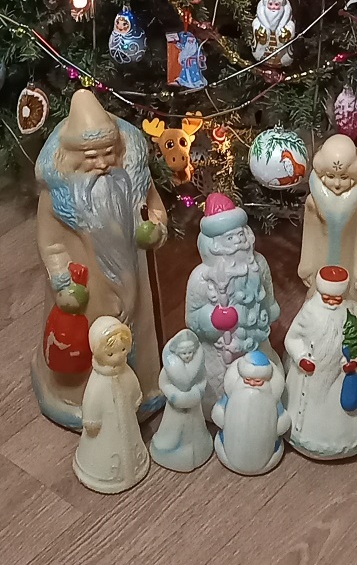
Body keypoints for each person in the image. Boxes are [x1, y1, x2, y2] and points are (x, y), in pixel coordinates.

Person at [32, 89, 166, 429]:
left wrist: (156, 227)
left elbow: (156, 209)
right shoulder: (57, 196)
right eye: (92, 157)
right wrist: (62, 281)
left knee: (140, 337)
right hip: (89, 289)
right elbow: (50, 243)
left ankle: (145, 388)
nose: (103, 164)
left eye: (109, 154)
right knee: (88, 345)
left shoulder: (134, 181)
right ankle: (80, 399)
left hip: (134, 279)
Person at [185, 193, 279, 409]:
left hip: (257, 344)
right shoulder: (201, 278)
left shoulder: (259, 265)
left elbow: (269, 297)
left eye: (240, 235)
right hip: (219, 353)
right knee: (223, 394)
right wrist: (212, 319)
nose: (238, 241)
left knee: (266, 389)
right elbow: (192, 319)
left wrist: (268, 311)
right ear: (214, 245)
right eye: (230, 238)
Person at [284, 266, 357, 460]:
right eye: (328, 298)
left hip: (343, 375)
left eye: (337, 298)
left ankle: (348, 440)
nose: (332, 302)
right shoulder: (310, 311)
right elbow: (292, 338)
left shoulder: (352, 311)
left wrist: (356, 360)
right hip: (312, 376)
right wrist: (301, 357)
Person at [73, 318, 150, 493]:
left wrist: (136, 398)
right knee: (106, 446)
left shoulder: (126, 371)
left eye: (122, 350)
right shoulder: (98, 382)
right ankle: (101, 474)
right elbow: (91, 400)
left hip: (127, 422)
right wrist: (92, 420)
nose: (119, 356)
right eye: (111, 354)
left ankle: (133, 468)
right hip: (105, 428)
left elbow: (132, 384)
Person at [298, 135, 357, 319]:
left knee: (348, 300)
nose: (337, 184)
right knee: (316, 299)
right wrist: (306, 264)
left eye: (344, 177)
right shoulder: (313, 202)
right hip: (319, 260)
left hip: (347, 262)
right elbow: (309, 234)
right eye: (330, 176)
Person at [212, 350, 290, 475]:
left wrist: (280, 424)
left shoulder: (272, 400)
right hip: (232, 441)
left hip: (263, 445)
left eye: (258, 382)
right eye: (248, 380)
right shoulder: (232, 395)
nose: (252, 384)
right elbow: (219, 413)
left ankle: (262, 462)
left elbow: (282, 422)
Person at [150, 330, 213, 472]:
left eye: (190, 352)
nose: (188, 356)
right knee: (173, 430)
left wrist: (197, 392)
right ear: (177, 353)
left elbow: (202, 380)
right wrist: (175, 396)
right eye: (184, 353)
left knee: (196, 427)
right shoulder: (169, 369)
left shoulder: (198, 368)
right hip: (175, 408)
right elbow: (164, 383)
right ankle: (169, 450)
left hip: (194, 406)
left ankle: (200, 448)